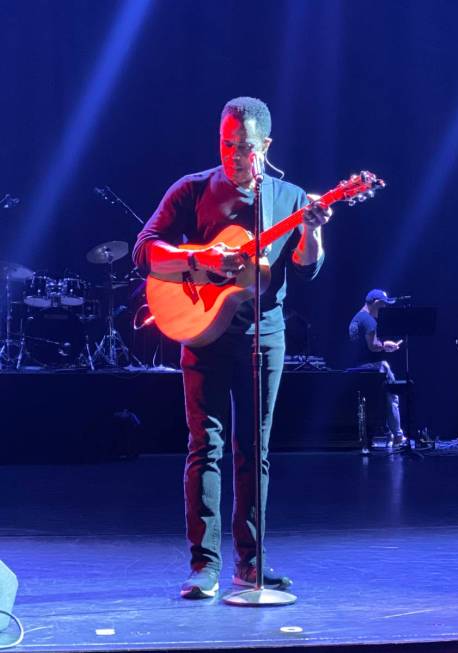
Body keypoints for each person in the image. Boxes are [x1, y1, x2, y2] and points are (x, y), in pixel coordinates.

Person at [133, 96, 331, 599]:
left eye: (243, 147)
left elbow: (307, 263)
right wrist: (197, 256)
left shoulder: (286, 197)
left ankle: (251, 562)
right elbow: (145, 249)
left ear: (265, 145)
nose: (233, 155)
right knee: (206, 447)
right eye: (226, 144)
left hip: (264, 335)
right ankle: (204, 565)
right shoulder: (193, 189)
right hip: (203, 333)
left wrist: (311, 231)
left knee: (255, 451)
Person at [348, 289, 406, 448]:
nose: (385, 308)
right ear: (375, 303)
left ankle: (388, 433)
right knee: (392, 393)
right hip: (369, 367)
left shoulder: (356, 318)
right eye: (383, 304)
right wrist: (385, 345)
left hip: (356, 367)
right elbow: (373, 346)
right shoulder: (369, 321)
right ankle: (398, 435)